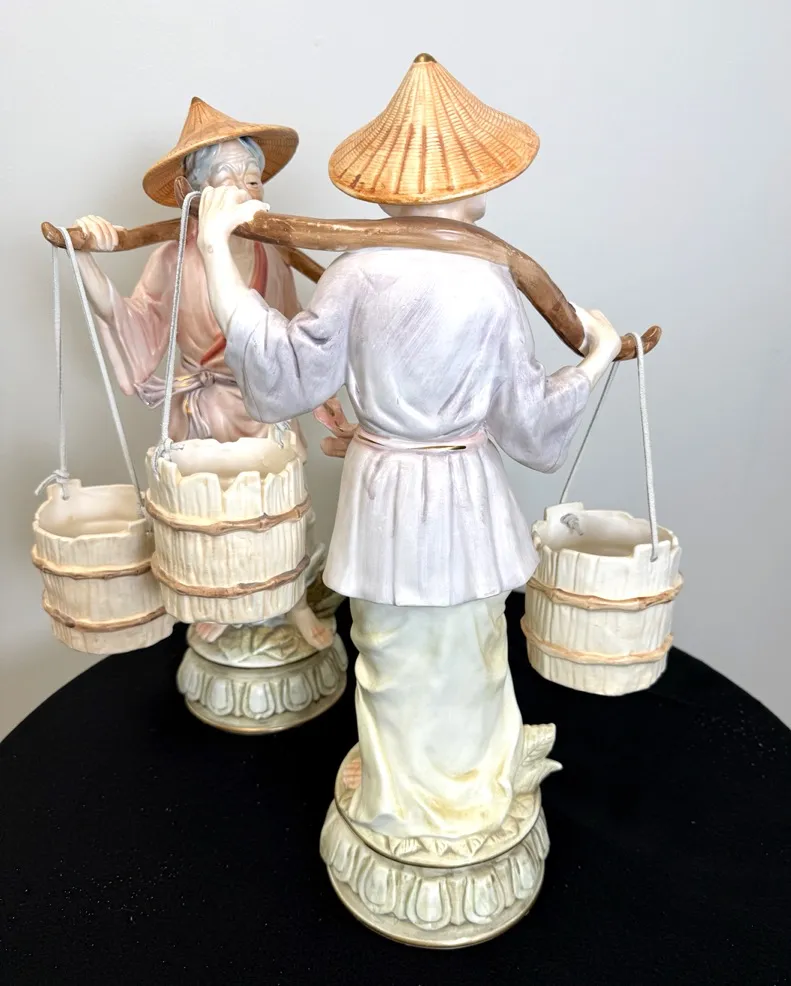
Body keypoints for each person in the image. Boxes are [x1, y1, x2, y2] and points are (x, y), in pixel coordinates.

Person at [195, 56, 621, 839]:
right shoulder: (488, 283)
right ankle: (458, 790)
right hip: (460, 489)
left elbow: (282, 374)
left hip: (386, 488)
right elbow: (527, 423)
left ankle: (415, 792)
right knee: (468, 637)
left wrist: (218, 255)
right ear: (467, 181)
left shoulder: (355, 272)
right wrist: (593, 361)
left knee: (393, 647)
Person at [73, 98, 335, 649]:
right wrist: (86, 259)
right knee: (213, 519)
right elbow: (133, 322)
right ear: (190, 193)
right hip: (202, 417)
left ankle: (291, 602)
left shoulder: (273, 254)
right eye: (224, 178)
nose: (242, 188)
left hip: (263, 409)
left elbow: (292, 332)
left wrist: (315, 395)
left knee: (282, 514)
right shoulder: (172, 259)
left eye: (252, 178)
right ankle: (221, 602)